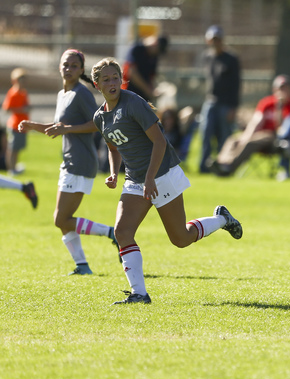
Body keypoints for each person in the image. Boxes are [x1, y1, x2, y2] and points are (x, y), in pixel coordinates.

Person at [90, 57, 243, 304]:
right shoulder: (100, 116)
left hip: (162, 174)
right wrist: (113, 172)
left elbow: (159, 142)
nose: (112, 83)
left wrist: (150, 179)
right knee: (122, 232)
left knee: (180, 239)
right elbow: (114, 147)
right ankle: (139, 293)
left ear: (122, 79)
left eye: (115, 77)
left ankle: (222, 218)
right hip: (135, 180)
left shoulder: (133, 103)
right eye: (106, 79)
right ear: (97, 85)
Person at [18, 49, 118, 275]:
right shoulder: (63, 94)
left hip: (81, 162)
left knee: (60, 219)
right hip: (69, 161)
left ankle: (112, 233)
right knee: (63, 220)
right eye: (66, 64)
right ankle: (82, 266)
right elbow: (58, 129)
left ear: (81, 70)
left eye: (74, 66)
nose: (69, 69)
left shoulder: (81, 94)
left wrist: (68, 129)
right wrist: (33, 126)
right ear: (60, 66)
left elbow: (100, 123)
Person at [212, 75, 290, 177]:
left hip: (274, 137)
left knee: (250, 143)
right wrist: (246, 136)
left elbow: (283, 128)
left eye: (285, 88)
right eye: (280, 88)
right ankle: (221, 162)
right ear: (274, 89)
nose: (282, 91)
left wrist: (280, 107)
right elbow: (256, 121)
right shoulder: (266, 102)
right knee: (234, 139)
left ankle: (228, 166)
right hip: (258, 133)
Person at [200, 25, 241, 173]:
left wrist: (234, 107)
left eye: (217, 39)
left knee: (224, 137)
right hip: (211, 101)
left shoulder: (231, 59)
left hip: (226, 104)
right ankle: (204, 166)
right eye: (212, 39)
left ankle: (223, 165)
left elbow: (237, 84)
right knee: (206, 132)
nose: (215, 42)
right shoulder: (207, 56)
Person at [122, 35, 169, 102]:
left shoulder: (154, 57)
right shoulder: (137, 49)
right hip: (129, 93)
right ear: (155, 44)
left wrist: (154, 91)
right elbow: (132, 73)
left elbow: (151, 77)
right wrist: (148, 91)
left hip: (143, 97)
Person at [3, 68, 30, 175]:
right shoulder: (13, 93)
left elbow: (26, 106)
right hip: (15, 124)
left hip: (23, 125)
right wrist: (21, 110)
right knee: (12, 149)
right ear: (15, 80)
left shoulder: (23, 93)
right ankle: (11, 169)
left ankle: (15, 167)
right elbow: (7, 108)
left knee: (18, 148)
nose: (22, 82)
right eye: (20, 80)